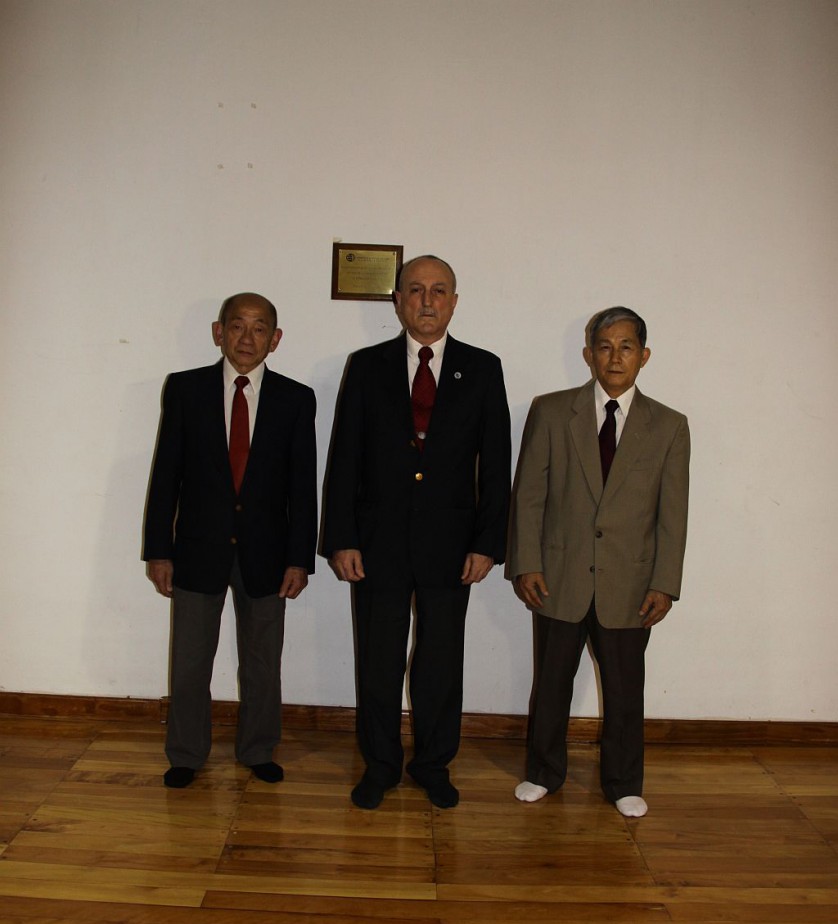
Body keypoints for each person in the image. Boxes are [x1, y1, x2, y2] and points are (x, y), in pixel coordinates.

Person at [322, 255, 511, 810]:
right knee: (377, 660)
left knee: (440, 663)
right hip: (376, 544)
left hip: (453, 548)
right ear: (398, 301)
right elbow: (344, 458)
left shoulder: (482, 368)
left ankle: (433, 764)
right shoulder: (366, 365)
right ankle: (379, 765)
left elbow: (496, 464)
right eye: (415, 290)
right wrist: (342, 536)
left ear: (454, 300)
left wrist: (488, 543)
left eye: (439, 290)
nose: (427, 301)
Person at [507, 306, 689, 818]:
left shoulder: (670, 427)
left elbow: (673, 514)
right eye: (604, 346)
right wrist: (526, 562)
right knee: (551, 685)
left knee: (626, 690)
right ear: (588, 354)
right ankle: (543, 771)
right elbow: (529, 496)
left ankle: (624, 781)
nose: (614, 357)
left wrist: (665, 583)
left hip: (631, 584)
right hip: (558, 576)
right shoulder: (551, 411)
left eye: (626, 347)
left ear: (644, 356)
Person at [143, 292, 317, 788]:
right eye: (236, 326)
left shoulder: (295, 398)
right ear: (219, 333)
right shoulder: (186, 390)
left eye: (259, 328)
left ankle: (258, 748)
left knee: (263, 660)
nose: (247, 337)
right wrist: (159, 549)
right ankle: (185, 753)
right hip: (197, 549)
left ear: (275, 339)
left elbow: (302, 488)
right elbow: (166, 476)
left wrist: (299, 559)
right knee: (191, 660)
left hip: (268, 554)